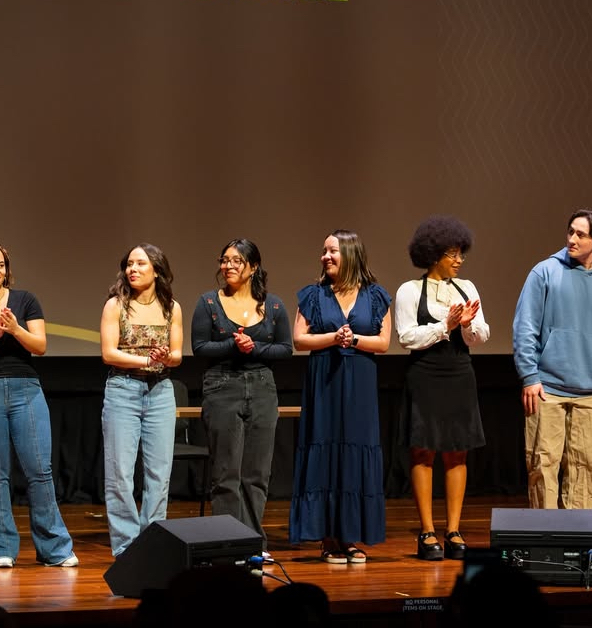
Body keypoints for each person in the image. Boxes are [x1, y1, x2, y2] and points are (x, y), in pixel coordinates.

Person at [0, 242, 79, 568]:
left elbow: (40, 346)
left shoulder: (25, 300)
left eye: (0, 265)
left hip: (27, 390)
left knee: (40, 470)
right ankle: (2, 549)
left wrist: (15, 329)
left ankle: (55, 549)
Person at [512, 209, 592, 510]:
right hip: (547, 388)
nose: (571, 239)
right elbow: (525, 328)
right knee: (543, 464)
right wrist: (530, 377)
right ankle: (544, 534)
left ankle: (576, 536)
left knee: (584, 468)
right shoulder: (544, 272)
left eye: (581, 234)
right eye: (570, 231)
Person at [289, 230, 392, 564]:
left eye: (332, 251)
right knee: (326, 447)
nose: (325, 257)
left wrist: (355, 340)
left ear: (350, 254)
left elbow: (384, 343)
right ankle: (328, 538)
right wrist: (334, 337)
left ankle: (350, 537)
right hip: (325, 383)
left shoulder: (376, 296)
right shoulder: (314, 295)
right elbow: (299, 340)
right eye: (323, 251)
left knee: (353, 452)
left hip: (359, 383)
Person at [393, 216, 489, 561]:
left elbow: (481, 334)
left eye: (461, 253)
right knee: (423, 450)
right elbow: (406, 337)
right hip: (425, 373)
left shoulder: (468, 288)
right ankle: (427, 532)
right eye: (453, 253)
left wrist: (466, 327)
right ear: (434, 254)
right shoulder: (409, 290)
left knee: (457, 450)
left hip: (460, 371)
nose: (459, 260)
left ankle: (453, 529)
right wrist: (443, 325)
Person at [190, 239, 292, 548]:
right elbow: (199, 348)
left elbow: (286, 349)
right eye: (224, 260)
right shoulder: (208, 302)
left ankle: (252, 544)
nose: (228, 266)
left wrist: (255, 347)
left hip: (262, 387)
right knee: (226, 474)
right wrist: (233, 345)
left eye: (236, 260)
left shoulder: (273, 305)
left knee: (256, 473)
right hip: (222, 386)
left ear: (253, 267)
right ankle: (227, 545)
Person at [99, 243, 184, 557]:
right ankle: (126, 549)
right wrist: (148, 361)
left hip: (161, 391)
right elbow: (109, 353)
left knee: (158, 474)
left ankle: (152, 545)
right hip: (123, 389)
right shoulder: (116, 305)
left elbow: (175, 355)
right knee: (120, 473)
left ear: (157, 270)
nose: (132, 269)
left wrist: (165, 358)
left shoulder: (171, 307)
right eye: (129, 264)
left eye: (140, 264)